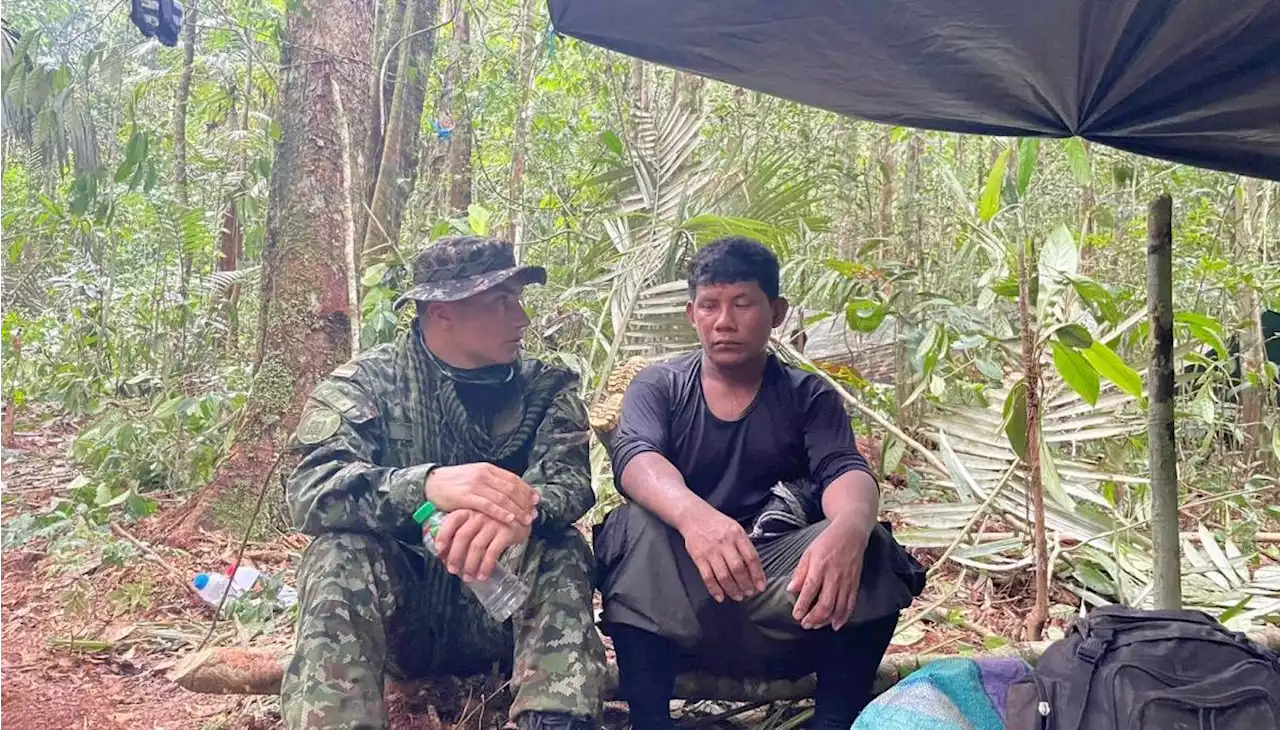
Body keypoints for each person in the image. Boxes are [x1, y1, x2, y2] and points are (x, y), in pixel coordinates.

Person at [594, 236, 926, 730]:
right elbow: (636, 458)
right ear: (691, 314)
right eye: (709, 305)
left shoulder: (806, 394)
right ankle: (651, 719)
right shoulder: (659, 385)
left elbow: (843, 468)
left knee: (871, 545)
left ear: (776, 311)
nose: (723, 321)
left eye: (742, 304)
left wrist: (851, 528)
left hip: (781, 597)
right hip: (681, 597)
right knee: (631, 526)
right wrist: (697, 519)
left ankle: (834, 721)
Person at [280, 236, 608, 730]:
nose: (521, 318)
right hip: (401, 615)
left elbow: (568, 480)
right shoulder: (367, 384)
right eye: (500, 302)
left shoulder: (545, 388)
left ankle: (557, 717)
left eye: (518, 299)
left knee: (559, 546)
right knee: (338, 553)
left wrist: (518, 515)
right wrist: (425, 486)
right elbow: (310, 491)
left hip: (503, 610)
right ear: (441, 312)